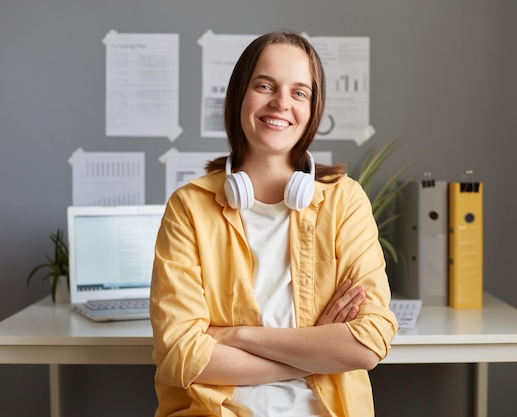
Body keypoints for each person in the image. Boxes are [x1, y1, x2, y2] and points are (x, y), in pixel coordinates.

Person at [150, 31, 398, 417]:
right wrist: (316, 350)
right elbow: (181, 354)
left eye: (300, 92)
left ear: (313, 108)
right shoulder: (189, 208)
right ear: (239, 96)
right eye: (265, 85)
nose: (282, 103)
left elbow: (367, 344)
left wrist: (235, 336)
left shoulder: (344, 200)